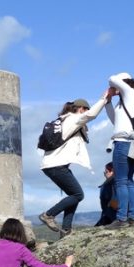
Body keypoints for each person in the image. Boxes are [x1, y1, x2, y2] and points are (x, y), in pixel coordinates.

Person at [37, 92, 108, 237]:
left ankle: (66, 230)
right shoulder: (74, 119)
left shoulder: (62, 120)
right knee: (78, 194)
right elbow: (91, 115)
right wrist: (104, 99)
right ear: (81, 109)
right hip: (56, 166)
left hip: (52, 165)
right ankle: (49, 215)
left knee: (72, 195)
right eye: (85, 110)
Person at [104, 72, 134, 227]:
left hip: (123, 143)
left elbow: (112, 78)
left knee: (121, 181)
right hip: (133, 144)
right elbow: (115, 121)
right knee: (128, 181)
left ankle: (122, 218)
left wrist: (113, 87)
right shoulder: (131, 99)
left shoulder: (129, 93)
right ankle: (132, 217)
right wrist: (109, 102)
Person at [94, 163, 134, 227]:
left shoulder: (108, 186)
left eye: (106, 172)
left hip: (117, 216)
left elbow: (106, 206)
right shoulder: (128, 183)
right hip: (133, 216)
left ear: (113, 171)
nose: (105, 174)